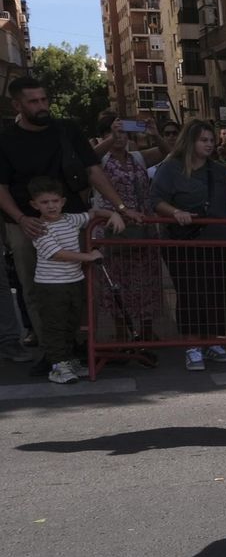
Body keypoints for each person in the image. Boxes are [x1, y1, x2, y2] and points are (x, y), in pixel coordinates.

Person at [0, 76, 134, 373]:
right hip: (25, 224)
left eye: (44, 99)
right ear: (17, 104)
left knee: (81, 287)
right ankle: (54, 352)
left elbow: (94, 171)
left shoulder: (67, 129)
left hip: (72, 220)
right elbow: (1, 187)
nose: (42, 105)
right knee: (37, 289)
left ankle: (79, 345)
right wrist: (21, 219)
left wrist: (121, 207)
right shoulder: (6, 139)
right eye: (33, 101)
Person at [151, 119, 226, 371]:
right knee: (190, 293)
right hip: (184, 242)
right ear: (190, 141)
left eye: (211, 140)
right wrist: (175, 211)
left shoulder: (220, 171)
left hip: (220, 240)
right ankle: (192, 345)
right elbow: (155, 199)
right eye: (203, 140)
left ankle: (212, 340)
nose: (209, 144)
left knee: (217, 292)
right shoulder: (170, 169)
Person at [28, 177, 124, 383]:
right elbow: (57, 254)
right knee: (55, 325)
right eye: (45, 203)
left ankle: (67, 360)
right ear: (35, 205)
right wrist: (89, 257)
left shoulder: (70, 220)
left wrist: (113, 214)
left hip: (74, 281)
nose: (51, 206)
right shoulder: (38, 228)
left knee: (71, 323)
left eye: (54, 201)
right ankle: (57, 366)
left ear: (62, 201)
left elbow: (94, 213)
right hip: (51, 286)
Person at [89, 117, 165, 361]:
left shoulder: (139, 158)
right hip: (112, 230)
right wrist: (111, 136)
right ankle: (122, 335)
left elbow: (169, 152)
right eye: (114, 133)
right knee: (116, 285)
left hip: (143, 229)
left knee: (146, 282)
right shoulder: (100, 159)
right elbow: (85, 158)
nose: (120, 138)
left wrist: (155, 133)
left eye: (124, 133)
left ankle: (145, 333)